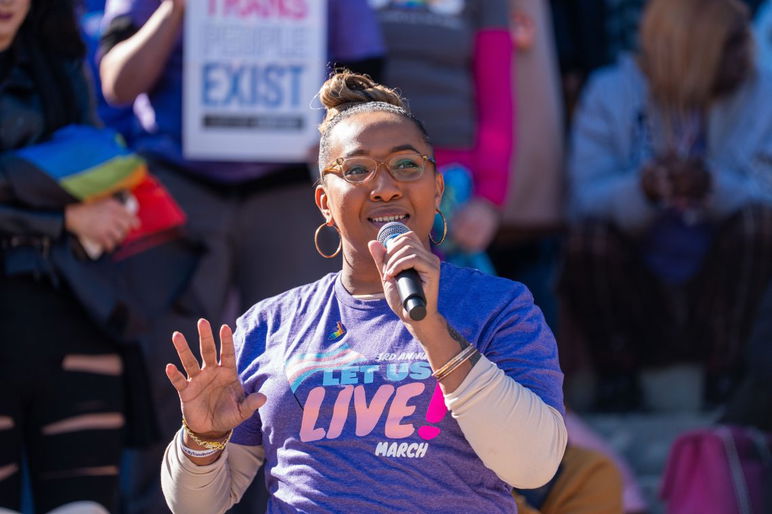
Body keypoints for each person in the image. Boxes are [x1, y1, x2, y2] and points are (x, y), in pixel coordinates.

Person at [160, 71, 567, 512]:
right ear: (324, 203)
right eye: (356, 170)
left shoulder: (500, 307)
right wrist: (202, 438)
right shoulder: (270, 323)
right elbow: (195, 507)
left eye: (406, 165)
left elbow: (534, 467)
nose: (385, 188)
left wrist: (432, 331)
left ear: (437, 189)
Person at [97, 1, 385, 511]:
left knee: (292, 366)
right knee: (170, 367)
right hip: (179, 185)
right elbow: (116, 84)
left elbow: (367, 80)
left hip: (287, 187)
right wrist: (175, 9)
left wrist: (336, 134)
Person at [561, 0, 772, 410]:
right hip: (640, 292)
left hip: (721, 291)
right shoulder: (610, 92)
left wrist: (713, 186)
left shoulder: (762, 91)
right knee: (588, 239)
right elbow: (581, 200)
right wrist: (644, 191)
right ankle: (616, 380)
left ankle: (727, 376)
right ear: (689, 47)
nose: (746, 52)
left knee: (759, 224)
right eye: (730, 43)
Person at [0, 0, 136, 511]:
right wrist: (64, 218)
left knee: (84, 508)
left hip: (70, 308)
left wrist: (113, 203)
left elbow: (102, 165)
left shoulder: (59, 58)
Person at [368, 0, 514, 265]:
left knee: (447, 286)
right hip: (370, 169)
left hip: (451, 182)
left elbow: (497, 98)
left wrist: (488, 198)